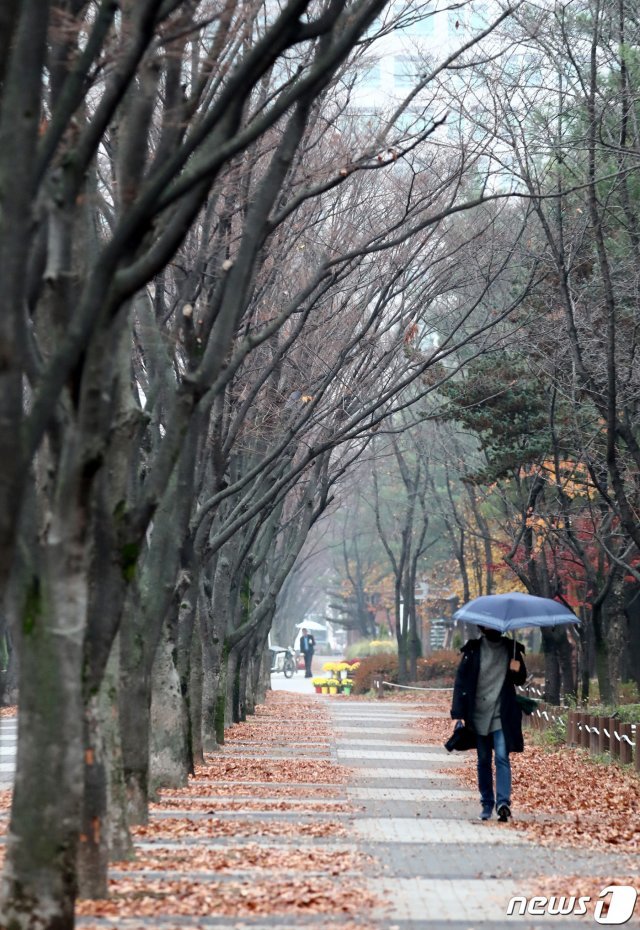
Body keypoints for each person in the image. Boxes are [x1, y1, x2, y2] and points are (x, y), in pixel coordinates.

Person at [451, 625, 527, 822]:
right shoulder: (473, 650)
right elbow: (461, 682)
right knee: (483, 759)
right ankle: (487, 802)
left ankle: (503, 802)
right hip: (477, 714)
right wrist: (458, 714)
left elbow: (520, 680)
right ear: (482, 628)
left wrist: (516, 666)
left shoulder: (511, 649)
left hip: (502, 713)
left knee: (502, 757)